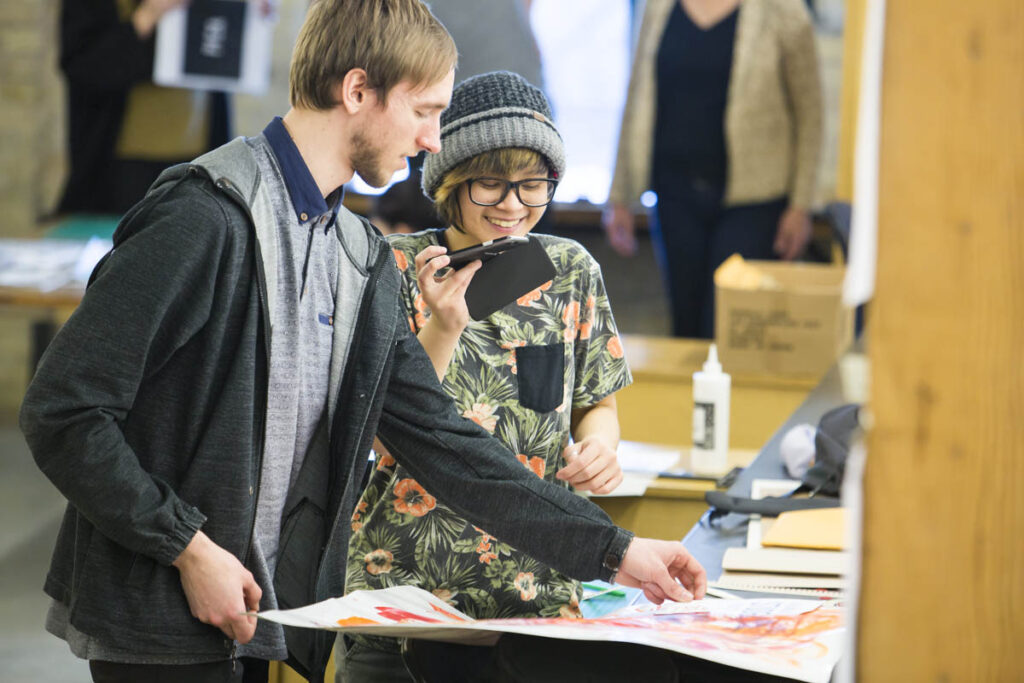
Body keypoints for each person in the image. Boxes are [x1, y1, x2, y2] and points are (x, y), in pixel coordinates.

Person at [19, 2, 706, 682]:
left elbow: (444, 441)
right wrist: (188, 549)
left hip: (259, 619)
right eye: (424, 111)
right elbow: (64, 411)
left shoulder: (355, 253)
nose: (435, 140)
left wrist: (617, 550)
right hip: (160, 621)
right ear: (357, 91)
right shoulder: (205, 217)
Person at [339, 71, 630, 681]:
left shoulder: (570, 269)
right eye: (490, 184)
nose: (512, 206)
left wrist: (601, 446)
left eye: (533, 186)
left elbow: (595, 402)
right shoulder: (392, 266)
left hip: (537, 598)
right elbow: (380, 438)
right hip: (403, 592)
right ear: (448, 182)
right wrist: (442, 327)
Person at [604, 0, 823, 338]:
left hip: (753, 204)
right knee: (686, 329)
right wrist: (619, 194)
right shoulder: (659, 7)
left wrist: (801, 205)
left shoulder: (783, 11)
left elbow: (810, 114)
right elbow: (637, 94)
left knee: (728, 331)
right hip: (675, 195)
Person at [58, 0, 232, 215]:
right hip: (119, 162)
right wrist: (148, 15)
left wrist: (249, 20)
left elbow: (221, 58)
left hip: (199, 157)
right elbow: (84, 67)